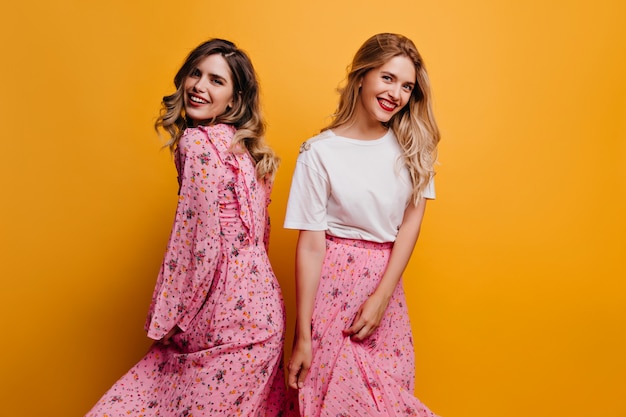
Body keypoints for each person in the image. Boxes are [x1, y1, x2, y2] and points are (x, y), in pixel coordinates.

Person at [86, 39, 286, 416]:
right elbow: (260, 237)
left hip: (221, 317)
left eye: (216, 80)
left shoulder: (196, 143)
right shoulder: (250, 150)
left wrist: (172, 318)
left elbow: (198, 241)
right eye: (196, 74)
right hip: (265, 313)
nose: (199, 86)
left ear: (233, 99)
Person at [284, 33, 440, 416]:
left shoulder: (412, 147)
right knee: (326, 401)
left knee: (389, 399)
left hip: (385, 289)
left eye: (407, 86)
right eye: (387, 78)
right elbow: (311, 244)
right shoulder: (318, 152)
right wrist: (303, 335)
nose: (397, 94)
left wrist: (382, 296)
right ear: (361, 76)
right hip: (331, 293)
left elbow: (411, 222)